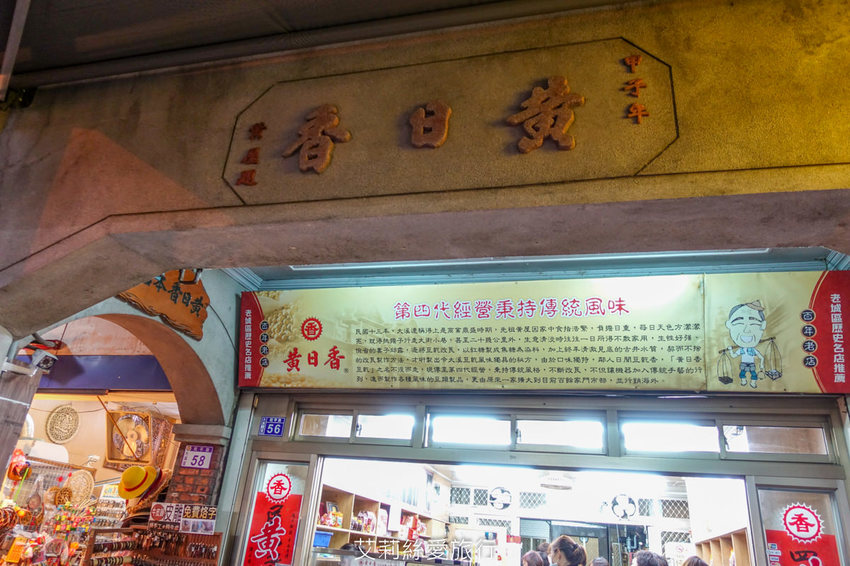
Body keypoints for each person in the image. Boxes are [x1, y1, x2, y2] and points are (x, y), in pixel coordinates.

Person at [725, 300, 767, 388]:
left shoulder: (753, 350)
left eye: (753, 323)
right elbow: (733, 356)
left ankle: (753, 383)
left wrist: (762, 365)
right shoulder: (742, 350)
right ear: (729, 325)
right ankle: (743, 381)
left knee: (753, 374)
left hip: (751, 364)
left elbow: (761, 357)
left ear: (763, 325)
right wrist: (730, 350)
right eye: (739, 323)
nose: (746, 330)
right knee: (742, 374)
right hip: (743, 364)